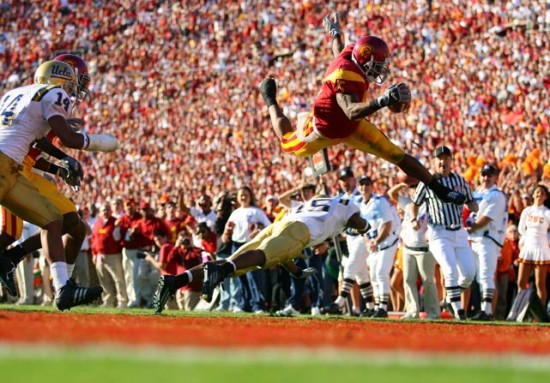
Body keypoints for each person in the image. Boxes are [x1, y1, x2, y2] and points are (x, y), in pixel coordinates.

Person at [258, 13, 466, 206]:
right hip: (323, 130)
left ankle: (439, 190)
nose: (380, 70)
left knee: (395, 153)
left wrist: (335, 33)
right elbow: (350, 110)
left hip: (351, 126)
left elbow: (338, 49)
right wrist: (382, 101)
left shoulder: (352, 54)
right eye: (377, 65)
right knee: (286, 142)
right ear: (364, 60)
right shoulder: (343, 75)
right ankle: (270, 99)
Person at [0, 60, 117, 310]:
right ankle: (22, 264)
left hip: (13, 168)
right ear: (63, 78)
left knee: (54, 220)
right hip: (11, 166)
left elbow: (30, 140)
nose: (75, 90)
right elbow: (68, 139)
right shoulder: (55, 93)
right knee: (14, 231)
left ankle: (64, 287)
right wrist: (99, 142)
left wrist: (59, 166)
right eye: (75, 83)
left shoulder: (14, 93)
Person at [153, 195, 370, 314]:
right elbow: (360, 223)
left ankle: (175, 281)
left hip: (281, 224)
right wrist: (363, 227)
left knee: (240, 260)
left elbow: (281, 254)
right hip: (300, 229)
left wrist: (297, 272)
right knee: (240, 263)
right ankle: (219, 270)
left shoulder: (319, 203)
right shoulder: (346, 204)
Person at [410, 146, 478, 320]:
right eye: (439, 158)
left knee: (469, 274)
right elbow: (414, 203)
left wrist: (473, 209)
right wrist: (413, 218)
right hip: (438, 232)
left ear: (451, 160)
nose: (443, 161)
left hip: (459, 232)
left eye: (446, 158)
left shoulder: (461, 181)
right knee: (449, 271)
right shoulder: (428, 181)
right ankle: (458, 311)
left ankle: (449, 298)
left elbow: (472, 203)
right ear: (434, 161)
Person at [321, 171, 375, 317]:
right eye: (342, 180)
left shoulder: (360, 196)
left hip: (362, 236)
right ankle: (371, 306)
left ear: (353, 180)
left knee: (350, 267)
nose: (345, 182)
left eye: (347, 179)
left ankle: (339, 302)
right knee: (361, 274)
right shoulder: (341, 198)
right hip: (350, 239)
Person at [388, 181, 440, 320]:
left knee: (428, 281)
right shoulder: (407, 203)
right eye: (412, 188)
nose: (414, 191)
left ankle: (433, 312)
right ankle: (412, 311)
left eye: (417, 188)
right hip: (408, 247)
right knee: (408, 280)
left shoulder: (430, 205)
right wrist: (401, 184)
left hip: (425, 248)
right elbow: (391, 194)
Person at [467, 164, 508, 320]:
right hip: (475, 238)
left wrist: (470, 227)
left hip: (487, 238)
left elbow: (486, 219)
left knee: (486, 275)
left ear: (495, 177)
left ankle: (487, 310)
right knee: (479, 278)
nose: (486, 178)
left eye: (490, 175)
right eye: (484, 174)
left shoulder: (496, 195)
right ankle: (484, 310)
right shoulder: (476, 193)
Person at [516, 184, 550, 306]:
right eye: (537, 192)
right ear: (533, 194)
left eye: (542, 193)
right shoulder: (527, 211)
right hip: (528, 248)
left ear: (545, 196)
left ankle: (540, 314)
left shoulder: (547, 212)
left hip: (541, 248)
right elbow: (521, 229)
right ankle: (520, 309)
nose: (539, 194)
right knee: (520, 282)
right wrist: (525, 240)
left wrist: (547, 240)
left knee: (540, 284)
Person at [91, 202, 127, 308]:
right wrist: (94, 253)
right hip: (100, 255)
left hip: (113, 255)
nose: (105, 212)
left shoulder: (115, 222)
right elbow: (94, 239)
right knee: (103, 280)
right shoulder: (97, 223)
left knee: (118, 279)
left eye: (107, 210)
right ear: (100, 212)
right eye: (103, 210)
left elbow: (119, 238)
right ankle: (108, 301)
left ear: (111, 211)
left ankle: (122, 301)